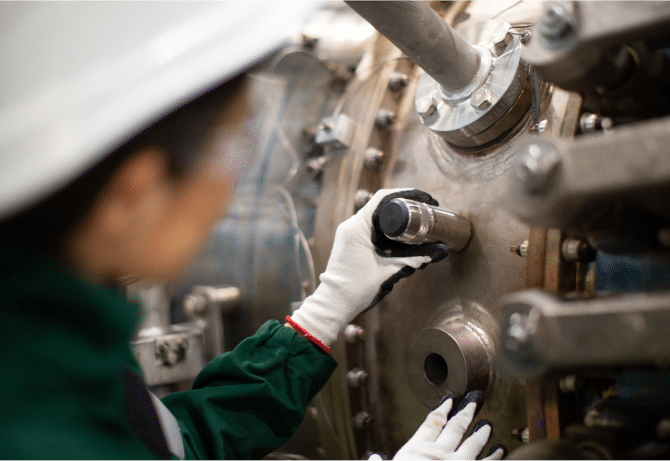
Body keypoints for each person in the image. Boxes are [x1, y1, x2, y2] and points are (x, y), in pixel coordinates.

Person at [0, 3, 506, 460]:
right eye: (234, 146)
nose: (234, 181)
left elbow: (179, 445)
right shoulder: (41, 431)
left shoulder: (48, 364)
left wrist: (327, 308)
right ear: (131, 193)